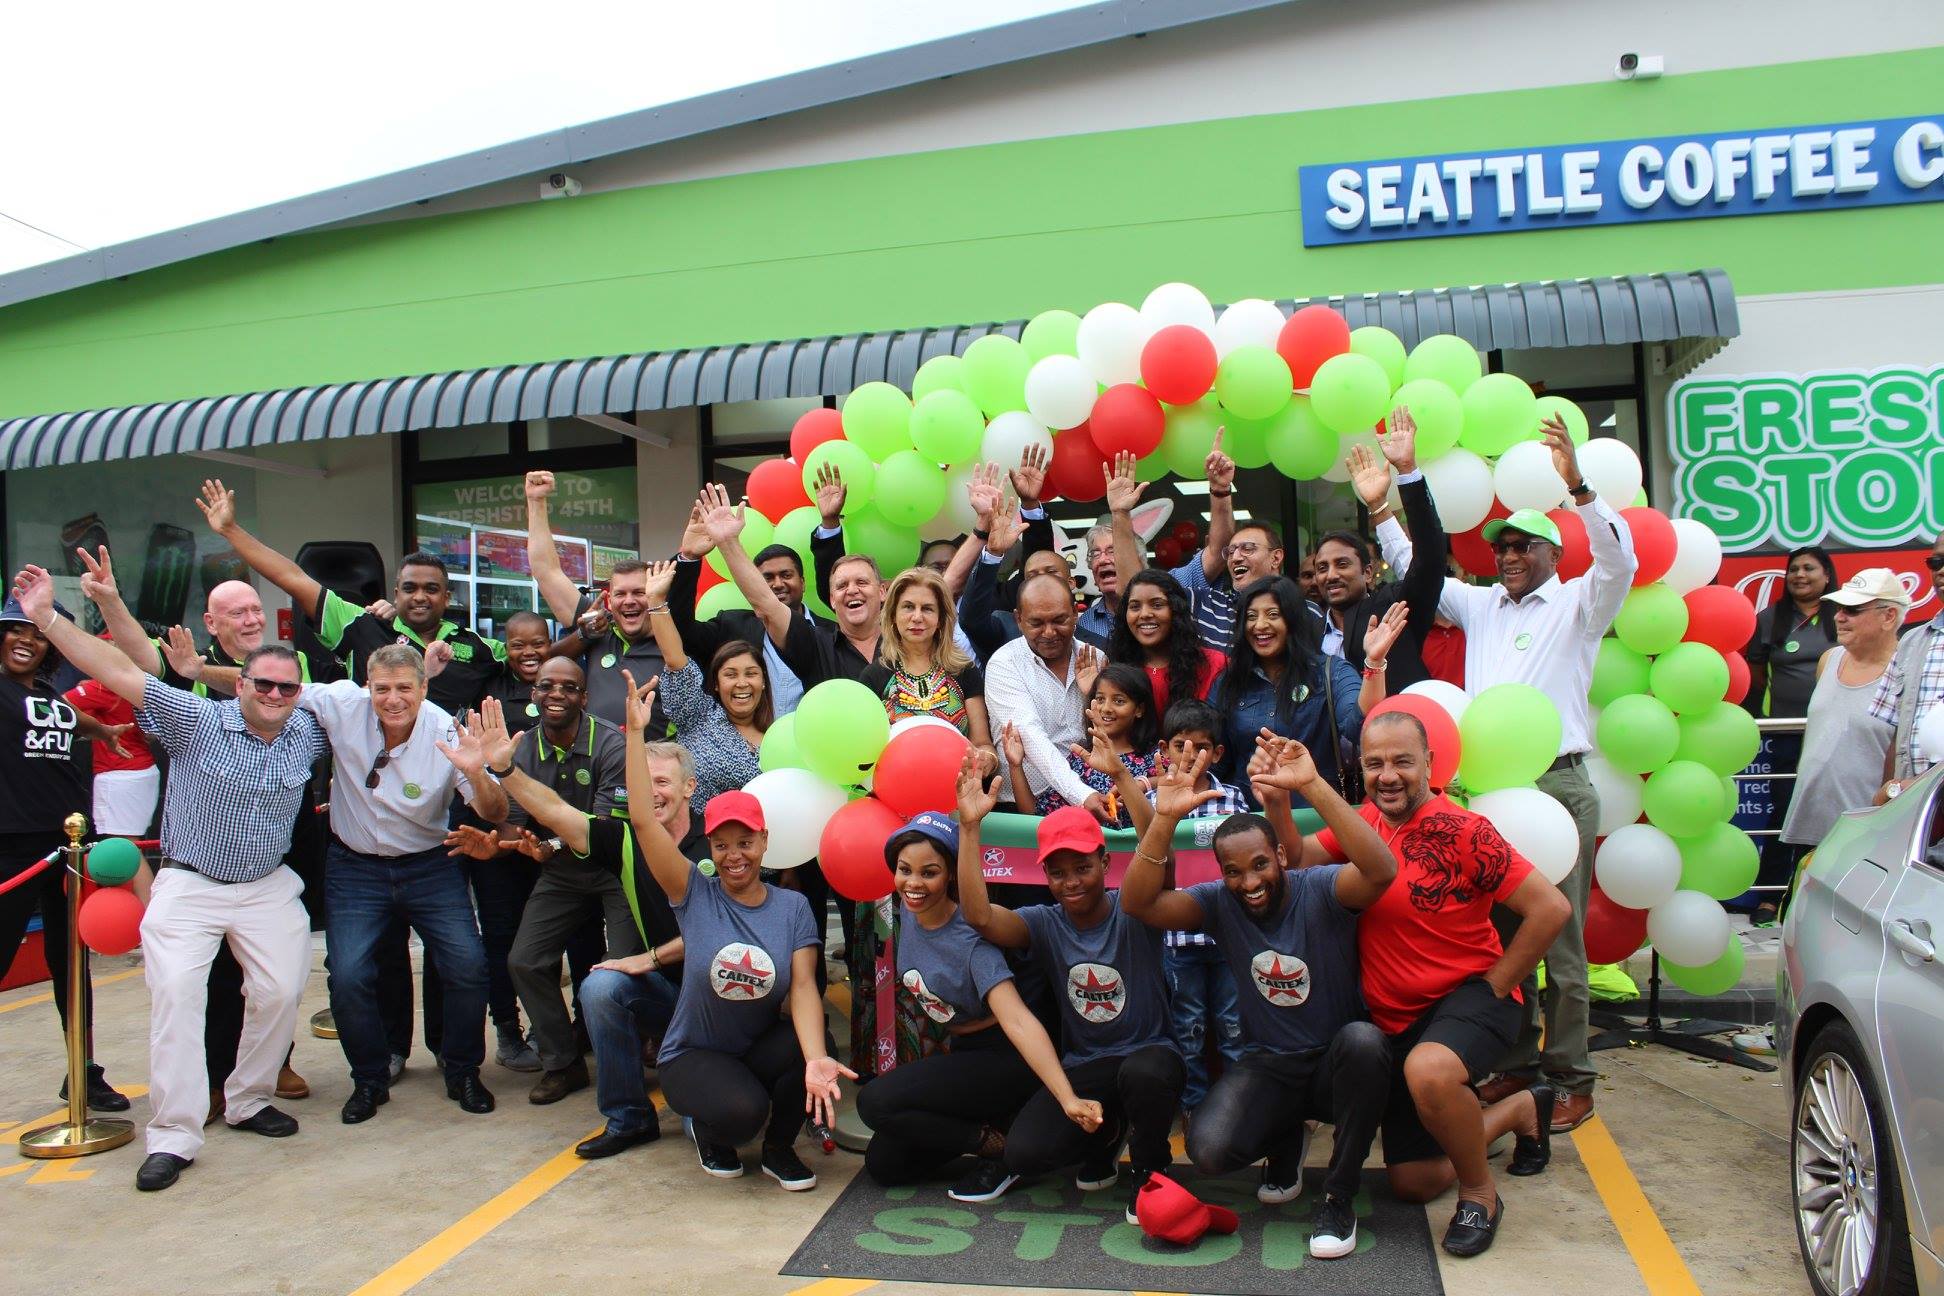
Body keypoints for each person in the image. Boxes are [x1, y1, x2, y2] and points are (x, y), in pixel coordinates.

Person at [13, 566, 326, 1192]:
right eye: (263, 684)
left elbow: (377, 707)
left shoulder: (309, 733)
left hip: (266, 886)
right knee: (178, 997)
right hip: (191, 884)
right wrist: (47, 617)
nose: (274, 695)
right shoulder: (195, 719)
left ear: (299, 693)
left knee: (281, 991)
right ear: (241, 685)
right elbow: (118, 668)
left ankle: (249, 1099)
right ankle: (174, 1135)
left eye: (286, 687)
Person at [1117, 736, 1397, 1260]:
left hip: (1334, 1064)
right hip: (1270, 1064)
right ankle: (1286, 1136)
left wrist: (1313, 785)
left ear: (1282, 857)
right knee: (1209, 1151)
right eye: (1233, 871)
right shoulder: (1218, 904)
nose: (1249, 882)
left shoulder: (1321, 888)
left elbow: (1381, 870)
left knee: (1365, 1042)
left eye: (1260, 865)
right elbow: (1138, 903)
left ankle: (1339, 1196)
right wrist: (1165, 820)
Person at [1309, 711, 1569, 1256]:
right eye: (1375, 763)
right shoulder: (1366, 823)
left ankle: (1480, 1194)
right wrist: (1279, 796)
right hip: (1397, 1019)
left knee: (1428, 1071)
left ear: (1429, 763)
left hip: (1469, 998)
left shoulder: (1466, 831)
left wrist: (1497, 984)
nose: (1388, 775)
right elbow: (1296, 858)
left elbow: (1550, 908)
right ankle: (1519, 1110)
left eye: (1402, 761)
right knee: (1414, 1182)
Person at [72, 547, 324, 1108]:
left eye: (256, 609)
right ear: (211, 622)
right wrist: (110, 601)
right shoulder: (187, 666)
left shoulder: (290, 671)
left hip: (279, 843)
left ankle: (268, 1071)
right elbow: (135, 663)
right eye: (236, 612)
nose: (251, 619)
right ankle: (209, 1083)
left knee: (276, 978)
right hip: (202, 850)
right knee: (205, 980)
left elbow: (333, 706)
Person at [1442, 417, 1636, 1134]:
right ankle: (1519, 1064)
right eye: (1503, 546)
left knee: (1562, 939)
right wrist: (1385, 499)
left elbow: (1621, 560)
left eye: (1524, 545)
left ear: (1554, 553)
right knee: (1502, 939)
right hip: (1493, 794)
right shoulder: (1479, 605)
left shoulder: (1581, 602)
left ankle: (1573, 1077)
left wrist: (1579, 486)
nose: (1510, 555)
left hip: (1557, 788)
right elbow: (1414, 562)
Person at [616, 669, 855, 1190]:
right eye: (721, 845)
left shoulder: (793, 907)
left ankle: (779, 1151)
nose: (734, 855)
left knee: (815, 1048)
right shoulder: (693, 893)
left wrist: (816, 1059)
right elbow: (643, 821)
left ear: (765, 841)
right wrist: (635, 734)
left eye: (745, 842)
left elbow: (804, 990)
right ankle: (712, 1132)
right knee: (742, 1114)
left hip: (755, 1045)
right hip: (694, 1054)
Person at [955, 761, 1184, 1224]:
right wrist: (969, 828)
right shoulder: (1044, 922)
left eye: (1082, 867)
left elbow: (1159, 860)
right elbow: (980, 917)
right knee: (1025, 1152)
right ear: (1044, 874)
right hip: (1087, 1064)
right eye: (1058, 873)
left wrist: (1123, 779)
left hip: (1150, 1055)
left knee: (1145, 1074)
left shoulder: (1134, 906)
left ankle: (1151, 1167)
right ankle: (1107, 1132)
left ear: (1105, 862)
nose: (1071, 882)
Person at [462, 701, 687, 1159]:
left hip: (715, 997)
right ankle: (628, 1116)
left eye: (662, 782)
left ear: (690, 788)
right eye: (643, 783)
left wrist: (650, 958)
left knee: (717, 1120)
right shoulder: (623, 840)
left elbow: (730, 934)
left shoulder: (718, 840)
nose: (652, 793)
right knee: (602, 986)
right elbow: (556, 811)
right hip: (667, 996)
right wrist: (504, 770)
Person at [301, 644, 508, 1123]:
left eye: (403, 688)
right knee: (348, 975)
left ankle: (462, 1070)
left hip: (429, 865)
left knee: (467, 964)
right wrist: (199, 670)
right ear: (367, 686)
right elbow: (275, 689)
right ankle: (369, 1079)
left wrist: (477, 773)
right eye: (382, 689)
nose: (392, 699)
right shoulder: (342, 704)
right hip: (355, 867)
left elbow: (494, 811)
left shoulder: (446, 731)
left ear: (424, 687)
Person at [856, 808, 1103, 1199]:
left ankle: (995, 1144)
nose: (913, 883)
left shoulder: (972, 943)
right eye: (905, 870)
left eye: (929, 873)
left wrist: (1066, 1096)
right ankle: (996, 1124)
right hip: (965, 1054)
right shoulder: (911, 913)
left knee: (875, 1102)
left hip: (1006, 1057)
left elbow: (1018, 1021)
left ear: (952, 875)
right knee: (885, 1164)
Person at [447, 654, 638, 1105]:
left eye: (569, 687)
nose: (557, 694)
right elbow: (514, 824)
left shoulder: (612, 744)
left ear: (584, 698)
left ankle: (632, 1058)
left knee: (618, 969)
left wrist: (548, 844)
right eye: (547, 685)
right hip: (562, 873)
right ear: (533, 695)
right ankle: (562, 1062)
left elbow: (604, 828)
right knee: (524, 961)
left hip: (616, 868)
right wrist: (498, 843)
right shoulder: (522, 749)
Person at [198, 479, 506, 714]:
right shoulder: (362, 625)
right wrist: (231, 530)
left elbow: (529, 651)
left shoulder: (480, 647)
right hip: (369, 772)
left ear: (448, 597)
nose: (420, 597)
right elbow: (293, 578)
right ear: (396, 594)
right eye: (410, 588)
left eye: (432, 589)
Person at [0, 590, 136, 1117]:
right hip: (11, 847)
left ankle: (83, 1070)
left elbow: (64, 719)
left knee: (72, 965)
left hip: (69, 848)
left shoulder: (46, 694)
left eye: (37, 633)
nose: (26, 640)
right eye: (15, 629)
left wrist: (101, 729)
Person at [1143, 700, 1249, 1117]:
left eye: (1202, 747)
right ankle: (1194, 1111)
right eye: (1180, 745)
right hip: (1177, 940)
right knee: (1188, 1028)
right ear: (1164, 749)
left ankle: (1238, 1111)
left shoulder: (1233, 798)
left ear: (1217, 753)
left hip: (1227, 935)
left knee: (1234, 1026)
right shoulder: (1153, 802)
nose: (1190, 755)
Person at [1210, 576, 1401, 802]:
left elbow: (1361, 726)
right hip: (1250, 815)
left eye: (1273, 614)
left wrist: (1374, 662)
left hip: (1317, 812)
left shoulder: (1330, 671)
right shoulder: (1228, 682)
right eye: (1251, 616)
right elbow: (1216, 757)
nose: (1259, 625)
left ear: (1293, 620)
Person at [524, 470, 671, 734]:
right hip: (596, 757)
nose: (629, 601)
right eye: (620, 594)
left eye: (639, 592)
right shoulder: (598, 626)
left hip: (657, 756)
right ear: (609, 599)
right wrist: (536, 501)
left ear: (654, 593)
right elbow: (546, 572)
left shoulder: (672, 637)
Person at [1743, 546, 1838, 922]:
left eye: (1809, 568)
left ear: (1827, 575)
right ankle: (1772, 896)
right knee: (1784, 809)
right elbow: (1755, 674)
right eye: (1794, 568)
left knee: (1832, 810)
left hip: (1834, 732)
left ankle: (1825, 896)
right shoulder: (1770, 619)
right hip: (1787, 731)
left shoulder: (1842, 614)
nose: (1800, 575)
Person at [1780, 571, 1899, 871]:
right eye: (1839, 608)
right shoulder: (1829, 660)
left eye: (1853, 610)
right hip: (1809, 825)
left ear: (1889, 616)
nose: (1839, 617)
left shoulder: (1906, 672)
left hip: (1870, 836)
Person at [669, 503, 829, 717]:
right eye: (767, 578)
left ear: (802, 582)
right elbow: (681, 632)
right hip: (744, 737)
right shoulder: (731, 626)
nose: (778, 584)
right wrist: (689, 558)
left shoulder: (831, 634)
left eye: (786, 575)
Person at [984, 573, 1115, 823]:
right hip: (1023, 808)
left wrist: (1092, 695)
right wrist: (1080, 794)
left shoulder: (1096, 658)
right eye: (1036, 623)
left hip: (1094, 799)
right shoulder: (1004, 664)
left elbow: (1112, 731)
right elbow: (1029, 735)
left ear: (1075, 613)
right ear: (1018, 620)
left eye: (1059, 620)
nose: (1049, 632)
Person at [1333, 413, 1450, 692]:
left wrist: (1406, 472)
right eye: (1321, 567)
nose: (1331, 574)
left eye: (1342, 564)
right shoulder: (1305, 623)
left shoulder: (1392, 606)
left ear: (1368, 572)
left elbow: (1428, 562)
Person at [642, 560, 772, 809]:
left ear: (764, 682)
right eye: (730, 675)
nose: (742, 683)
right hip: (697, 832)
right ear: (716, 684)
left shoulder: (778, 733)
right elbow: (675, 659)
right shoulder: (697, 716)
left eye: (751, 673)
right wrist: (656, 602)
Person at [1108, 437, 1239, 650]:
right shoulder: (1170, 588)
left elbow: (1219, 551)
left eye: (1157, 603)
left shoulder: (1179, 583)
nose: (1146, 613)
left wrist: (1221, 490)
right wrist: (1120, 513)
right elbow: (1131, 587)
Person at [860, 567, 995, 757]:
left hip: (960, 776)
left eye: (927, 609)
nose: (917, 617)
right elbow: (865, 751)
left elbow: (982, 744)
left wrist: (986, 760)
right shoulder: (873, 676)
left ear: (941, 619)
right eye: (908, 607)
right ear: (893, 616)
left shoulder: (964, 670)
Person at [956, 456, 1071, 662]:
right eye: (1032, 576)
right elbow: (972, 620)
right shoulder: (1006, 628)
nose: (1041, 580)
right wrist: (992, 553)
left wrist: (1030, 504)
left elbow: (1040, 557)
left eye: (1051, 573)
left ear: (1071, 583)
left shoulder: (1094, 642)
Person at [1036, 664, 1160, 826]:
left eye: (1119, 701)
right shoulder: (1080, 760)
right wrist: (1015, 767)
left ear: (1139, 709)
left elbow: (1184, 785)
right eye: (1100, 699)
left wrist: (1145, 783)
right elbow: (1040, 816)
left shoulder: (1156, 757)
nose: (1106, 708)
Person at [1872, 534, 1944, 799]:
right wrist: (1887, 800)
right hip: (1917, 807)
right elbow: (1896, 735)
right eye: (1936, 562)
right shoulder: (1911, 642)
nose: (1941, 570)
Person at [66, 634, 158, 840]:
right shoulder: (141, 682)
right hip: (140, 771)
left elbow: (56, 706)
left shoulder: (101, 686)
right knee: (128, 846)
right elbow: (151, 734)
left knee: (122, 849)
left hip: (119, 774)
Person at [1107, 568, 1225, 716]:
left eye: (1157, 605)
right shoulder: (1115, 670)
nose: (1145, 614)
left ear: (1176, 610)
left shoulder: (1215, 665)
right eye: (1135, 607)